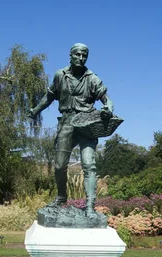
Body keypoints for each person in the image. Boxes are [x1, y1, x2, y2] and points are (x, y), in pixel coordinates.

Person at [28, 43, 114, 216]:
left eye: (84, 56)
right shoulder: (61, 75)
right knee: (59, 165)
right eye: (78, 55)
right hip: (67, 123)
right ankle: (61, 197)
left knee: (89, 165)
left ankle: (90, 206)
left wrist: (108, 108)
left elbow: (107, 99)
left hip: (87, 125)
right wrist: (36, 109)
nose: (81, 58)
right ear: (70, 56)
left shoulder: (92, 78)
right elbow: (50, 96)